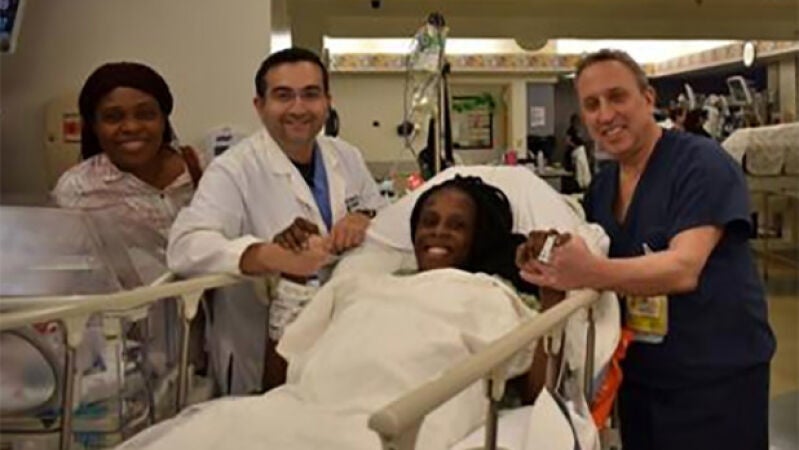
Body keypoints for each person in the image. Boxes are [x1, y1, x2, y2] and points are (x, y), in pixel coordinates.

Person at [120, 176, 558, 450]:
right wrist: (292, 278)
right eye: (429, 221)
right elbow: (277, 380)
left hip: (397, 426)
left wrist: (551, 288)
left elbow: (536, 394)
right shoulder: (361, 283)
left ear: (480, 237)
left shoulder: (491, 293)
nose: (438, 232)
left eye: (457, 225)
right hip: (299, 414)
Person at [517, 49, 775, 450]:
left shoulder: (700, 164)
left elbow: (684, 268)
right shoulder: (604, 187)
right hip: (641, 377)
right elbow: (592, 251)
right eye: (592, 104)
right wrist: (546, 256)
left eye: (617, 97)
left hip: (715, 377)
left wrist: (586, 271)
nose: (605, 114)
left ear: (648, 98)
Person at [167, 47, 387, 395]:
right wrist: (268, 255)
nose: (298, 108)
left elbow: (381, 213)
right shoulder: (234, 169)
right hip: (257, 350)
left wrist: (363, 217)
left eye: (311, 94)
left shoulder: (345, 156)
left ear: (327, 102)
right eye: (283, 96)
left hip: (340, 340)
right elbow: (186, 246)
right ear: (260, 106)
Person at [53, 62, 203, 240]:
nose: (131, 127)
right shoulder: (77, 189)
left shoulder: (201, 167)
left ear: (164, 119)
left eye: (145, 114)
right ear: (94, 126)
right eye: (113, 117)